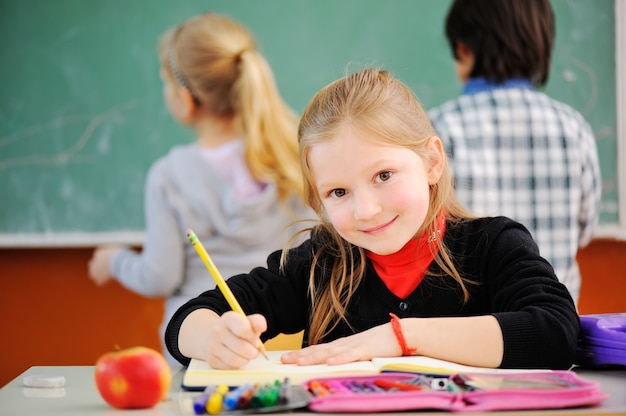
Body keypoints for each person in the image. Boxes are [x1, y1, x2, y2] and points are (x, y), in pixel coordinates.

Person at [165, 68, 579, 372]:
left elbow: (556, 334)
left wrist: (401, 338)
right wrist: (214, 339)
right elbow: (187, 321)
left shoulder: (492, 245)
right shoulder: (318, 264)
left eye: (383, 176)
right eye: (339, 193)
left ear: (432, 161)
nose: (366, 210)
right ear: (318, 199)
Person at [87, 12, 312, 365]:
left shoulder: (169, 175)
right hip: (282, 347)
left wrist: (113, 259)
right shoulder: (296, 155)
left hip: (201, 348)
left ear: (185, 98)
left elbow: (159, 277)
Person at [427, 0, 602, 305]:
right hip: (555, 330)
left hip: (472, 335)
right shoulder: (574, 129)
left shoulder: (436, 131)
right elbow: (584, 232)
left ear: (464, 49)